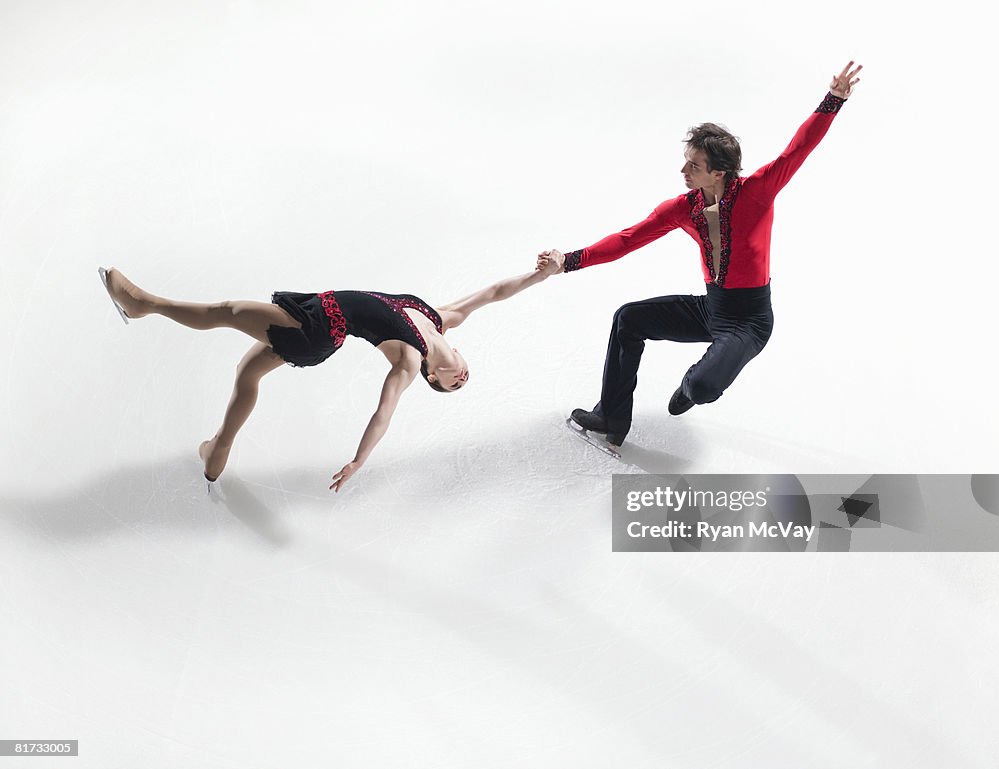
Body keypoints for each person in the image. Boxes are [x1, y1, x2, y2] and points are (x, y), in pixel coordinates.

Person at [538, 61, 863, 446]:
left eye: (694, 165)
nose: (683, 170)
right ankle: (611, 415)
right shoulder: (682, 208)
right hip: (713, 309)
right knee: (628, 319)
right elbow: (628, 239)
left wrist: (834, 99)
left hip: (750, 322)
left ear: (719, 172)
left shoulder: (757, 191)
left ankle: (691, 387)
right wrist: (570, 260)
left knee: (704, 386)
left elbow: (798, 149)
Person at [98, 260, 558, 491]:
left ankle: (143, 305)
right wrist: (543, 274)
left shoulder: (411, 361)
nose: (460, 380)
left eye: (450, 386)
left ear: (434, 376)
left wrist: (359, 460)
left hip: (318, 326)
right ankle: (216, 450)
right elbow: (497, 291)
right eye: (463, 379)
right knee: (247, 371)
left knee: (226, 311)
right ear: (457, 355)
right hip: (318, 318)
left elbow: (384, 413)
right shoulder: (441, 317)